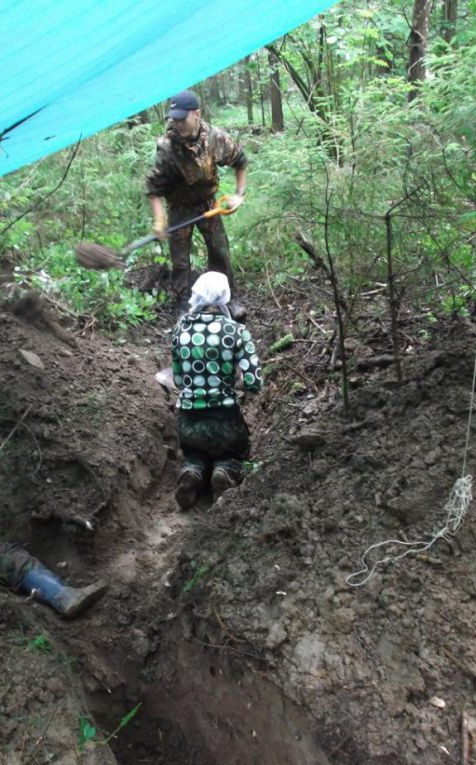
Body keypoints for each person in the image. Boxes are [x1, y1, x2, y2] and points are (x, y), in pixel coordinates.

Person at [146, 90, 248, 321]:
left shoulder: (216, 139)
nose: (178, 123)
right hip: (179, 208)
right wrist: (160, 220)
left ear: (197, 114)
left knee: (219, 250)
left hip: (208, 204)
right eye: (174, 118)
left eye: (182, 118)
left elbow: (240, 162)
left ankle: (227, 298)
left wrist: (239, 194)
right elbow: (153, 190)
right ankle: (183, 304)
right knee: (180, 260)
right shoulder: (167, 148)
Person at [171, 271, 262, 510]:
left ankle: (193, 471)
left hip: (189, 423)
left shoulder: (179, 331)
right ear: (225, 296)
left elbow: (179, 380)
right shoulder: (237, 331)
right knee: (235, 452)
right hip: (226, 421)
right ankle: (226, 470)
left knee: (194, 454)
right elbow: (254, 383)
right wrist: (235, 381)